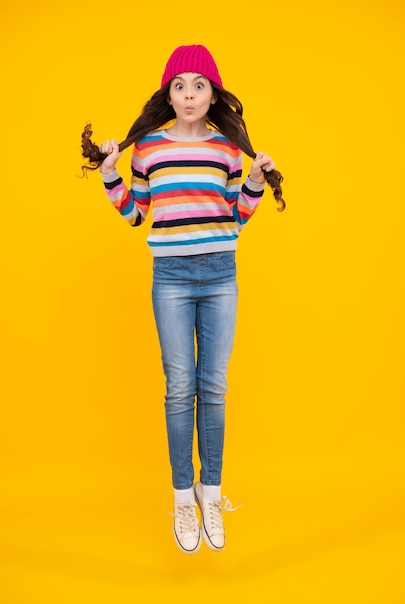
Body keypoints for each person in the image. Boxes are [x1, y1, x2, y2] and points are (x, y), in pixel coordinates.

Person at [81, 44, 285, 554]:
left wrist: (256, 182)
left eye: (199, 85)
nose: (189, 94)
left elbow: (236, 216)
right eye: (179, 85)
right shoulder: (148, 148)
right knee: (179, 388)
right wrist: (109, 172)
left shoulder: (227, 149)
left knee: (213, 387)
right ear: (167, 95)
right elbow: (135, 214)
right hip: (170, 276)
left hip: (220, 274)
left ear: (212, 93)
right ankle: (181, 498)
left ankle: (209, 494)